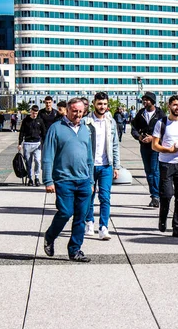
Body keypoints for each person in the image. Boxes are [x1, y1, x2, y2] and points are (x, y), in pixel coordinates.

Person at [42, 98, 94, 262]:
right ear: (67, 110)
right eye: (74, 111)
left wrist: (91, 181)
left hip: (84, 180)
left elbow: (89, 158)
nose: (78, 114)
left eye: (80, 111)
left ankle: (75, 250)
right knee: (65, 212)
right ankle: (50, 237)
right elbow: (48, 156)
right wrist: (48, 181)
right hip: (64, 180)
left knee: (81, 216)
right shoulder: (56, 129)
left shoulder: (86, 130)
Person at [152, 95, 178, 237]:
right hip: (165, 164)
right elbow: (155, 145)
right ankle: (162, 219)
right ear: (169, 106)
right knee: (167, 195)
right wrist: (169, 150)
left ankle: (177, 227)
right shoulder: (161, 123)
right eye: (175, 105)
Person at [84, 92, 120, 240]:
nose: (102, 107)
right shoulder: (86, 122)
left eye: (105, 104)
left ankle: (103, 227)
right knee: (89, 196)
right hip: (90, 166)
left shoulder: (110, 122)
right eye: (99, 104)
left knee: (105, 197)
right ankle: (89, 222)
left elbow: (115, 144)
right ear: (94, 104)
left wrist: (116, 166)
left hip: (106, 166)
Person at [131, 91, 165, 207]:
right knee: (148, 172)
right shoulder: (141, 113)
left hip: (155, 147)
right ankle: (155, 194)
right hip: (144, 147)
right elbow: (134, 128)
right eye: (143, 100)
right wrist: (139, 137)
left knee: (155, 170)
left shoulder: (160, 114)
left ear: (152, 101)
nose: (144, 102)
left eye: (147, 100)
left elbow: (165, 131)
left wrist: (154, 138)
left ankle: (156, 196)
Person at [18, 105, 46, 186]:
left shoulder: (40, 121)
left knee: (37, 161)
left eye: (36, 113)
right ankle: (30, 178)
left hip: (37, 144)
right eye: (33, 113)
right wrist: (20, 143)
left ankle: (37, 177)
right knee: (28, 162)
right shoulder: (26, 120)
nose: (34, 115)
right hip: (27, 143)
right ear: (31, 111)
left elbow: (43, 132)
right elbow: (21, 132)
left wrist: (45, 143)